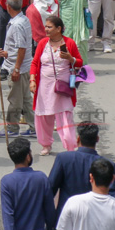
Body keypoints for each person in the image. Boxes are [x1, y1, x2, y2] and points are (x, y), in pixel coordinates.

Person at [31, 14, 81, 155]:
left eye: (49, 27)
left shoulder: (69, 43)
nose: (46, 29)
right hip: (44, 87)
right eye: (45, 26)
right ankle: (46, 144)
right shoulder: (42, 43)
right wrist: (32, 80)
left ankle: (71, 147)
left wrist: (71, 58)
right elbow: (35, 63)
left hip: (63, 87)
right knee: (44, 117)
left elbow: (80, 62)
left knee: (65, 116)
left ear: (59, 29)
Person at [0, 0, 34, 138]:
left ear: (8, 6)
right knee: (26, 99)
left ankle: (12, 128)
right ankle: (35, 127)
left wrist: (16, 69)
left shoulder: (18, 24)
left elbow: (21, 47)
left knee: (15, 100)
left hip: (18, 68)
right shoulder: (23, 19)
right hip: (22, 65)